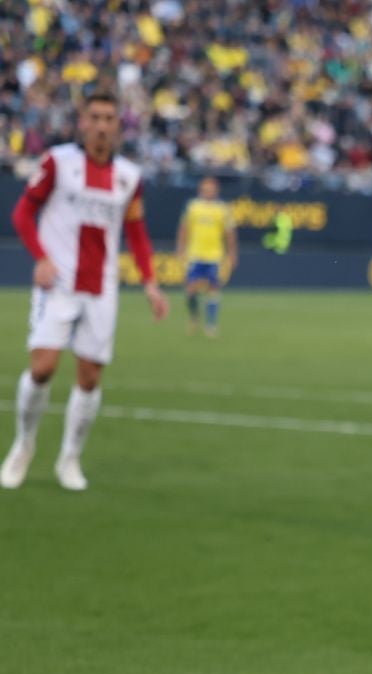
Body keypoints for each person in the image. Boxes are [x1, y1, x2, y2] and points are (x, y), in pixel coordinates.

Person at [4, 91, 168, 493]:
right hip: (58, 284)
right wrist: (41, 257)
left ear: (118, 126)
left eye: (109, 118)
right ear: (82, 121)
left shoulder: (129, 177)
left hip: (101, 289)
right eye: (94, 117)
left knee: (90, 378)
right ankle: (23, 445)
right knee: (42, 367)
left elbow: (137, 232)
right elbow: (22, 213)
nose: (101, 125)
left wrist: (149, 281)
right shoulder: (58, 163)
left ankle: (70, 458)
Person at [177, 176, 238, 337]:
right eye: (205, 189)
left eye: (211, 189)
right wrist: (180, 249)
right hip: (195, 254)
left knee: (213, 288)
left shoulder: (222, 209)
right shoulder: (193, 207)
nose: (208, 192)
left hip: (214, 256)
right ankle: (194, 317)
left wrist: (232, 254)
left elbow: (230, 234)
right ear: (201, 190)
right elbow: (184, 229)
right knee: (190, 289)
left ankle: (211, 324)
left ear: (216, 191)